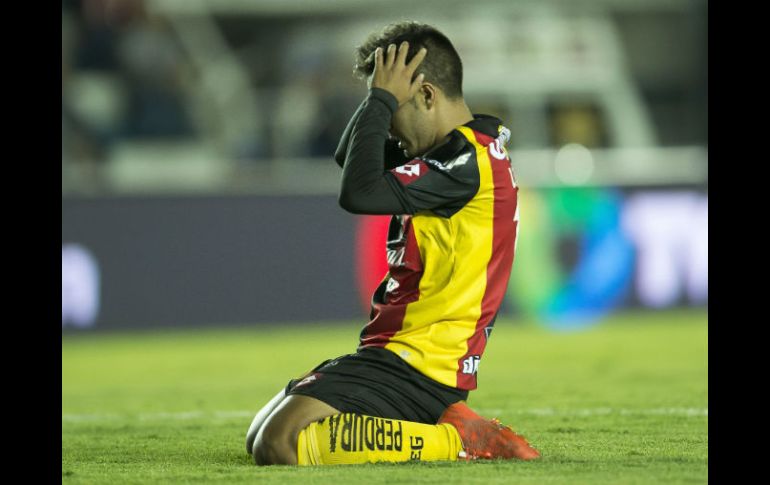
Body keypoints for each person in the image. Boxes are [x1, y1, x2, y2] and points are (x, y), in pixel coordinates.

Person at [246, 21, 540, 466]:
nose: (391, 127)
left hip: (422, 362)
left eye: (395, 108)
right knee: (259, 435)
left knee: (279, 443)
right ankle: (447, 427)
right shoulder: (450, 152)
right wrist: (379, 96)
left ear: (427, 96)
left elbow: (358, 192)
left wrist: (383, 97)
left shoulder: (466, 162)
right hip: (396, 353)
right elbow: (350, 158)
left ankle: (462, 441)